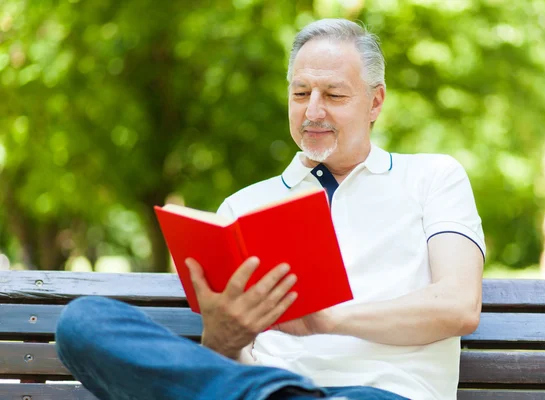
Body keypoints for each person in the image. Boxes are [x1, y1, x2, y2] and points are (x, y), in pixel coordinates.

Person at [56, 19, 485, 400]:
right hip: (254, 387)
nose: (313, 110)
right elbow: (218, 369)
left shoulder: (433, 178)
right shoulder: (241, 207)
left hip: (380, 392)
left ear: (375, 102)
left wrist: (326, 321)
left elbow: (458, 306)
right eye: (301, 93)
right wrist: (220, 340)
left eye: (334, 94)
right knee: (84, 321)